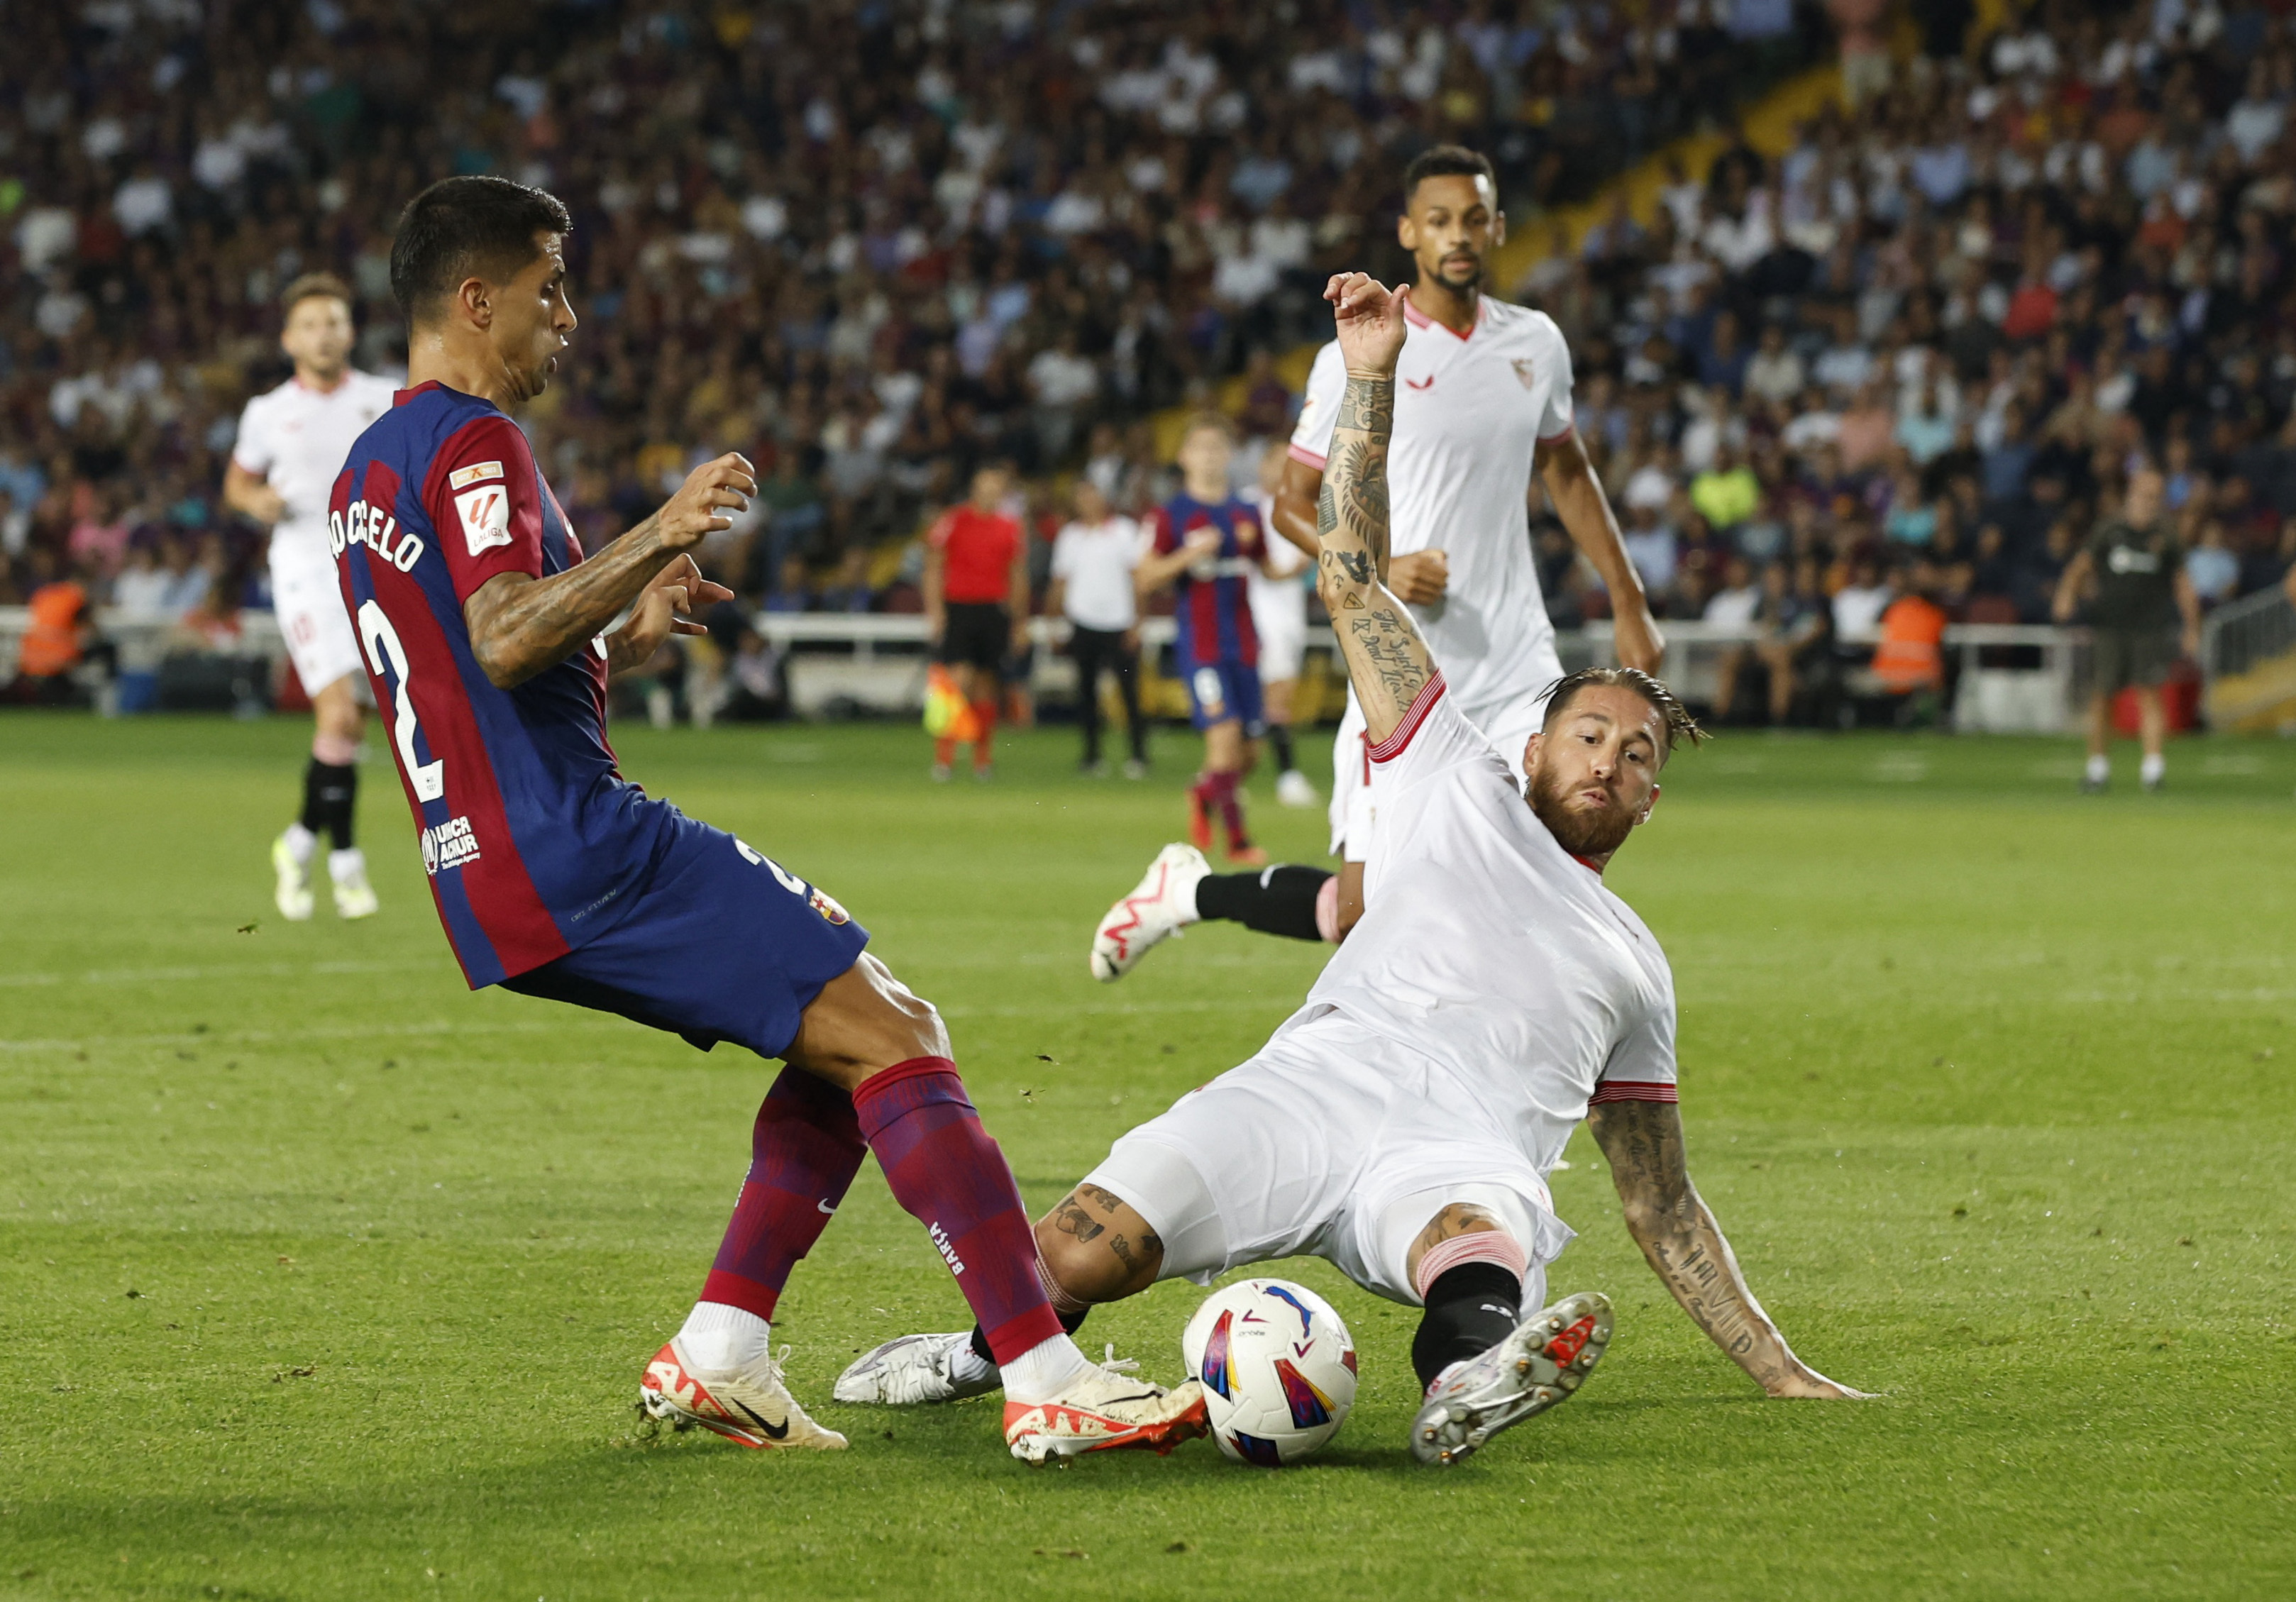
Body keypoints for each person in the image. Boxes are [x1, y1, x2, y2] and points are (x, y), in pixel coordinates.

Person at [839, 272, 1866, 1464]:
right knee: (1076, 1249)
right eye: (1589, 734)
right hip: (1313, 1086)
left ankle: (1467, 1382)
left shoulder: (1635, 966)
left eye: (1636, 756)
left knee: (1479, 1237)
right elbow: (1349, 577)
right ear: (1532, 742)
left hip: (1458, 1153)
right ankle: (980, 1353)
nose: (1608, 761)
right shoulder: (1448, 770)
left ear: (1651, 796)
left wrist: (1780, 1368)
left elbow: (1661, 1204)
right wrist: (1369, 378)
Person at [332, 175, 1200, 1464]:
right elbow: (505, 638)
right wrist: (656, 530)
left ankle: (720, 1350)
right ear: (476, 298)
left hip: (487, 862)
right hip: (577, 844)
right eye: (548, 288)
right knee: (900, 1030)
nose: (567, 316)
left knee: (834, 1027)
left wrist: (621, 624)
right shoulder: (474, 443)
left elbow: (470, 667)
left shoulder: (369, 466)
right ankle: (1045, 1369)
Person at [1091, 145, 1662, 980]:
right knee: (1360, 914)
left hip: (1516, 667)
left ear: (1497, 227)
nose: (1457, 235)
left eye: (1473, 218)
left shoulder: (1534, 344)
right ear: (1408, 233)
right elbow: (1290, 502)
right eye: (1438, 220)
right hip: (1395, 669)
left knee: (1537, 860)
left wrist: (1627, 595)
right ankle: (1189, 892)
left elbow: (1566, 470)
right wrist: (1380, 570)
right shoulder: (1359, 351)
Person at [224, 272, 398, 922]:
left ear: (351, 331)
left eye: (335, 321)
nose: (325, 334)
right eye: (312, 324)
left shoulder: (385, 399)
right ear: (289, 339)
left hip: (376, 570)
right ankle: (347, 862)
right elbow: (236, 484)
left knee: (353, 725)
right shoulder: (267, 413)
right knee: (342, 719)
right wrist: (257, 501)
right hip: (305, 574)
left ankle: (299, 841)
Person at [1135, 414, 1276, 866]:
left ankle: (1202, 793)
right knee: (1226, 736)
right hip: (1202, 646)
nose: (1211, 456)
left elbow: (1269, 567)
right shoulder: (1171, 514)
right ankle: (1238, 842)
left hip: (1245, 643)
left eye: (1218, 447)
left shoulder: (1246, 512)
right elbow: (1145, 577)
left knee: (1249, 752)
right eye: (1201, 448)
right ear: (1184, 457)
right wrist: (1190, 555)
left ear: (1230, 456)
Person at [2055, 469, 2200, 792]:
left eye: (2156, 497)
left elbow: (2182, 584)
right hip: (2110, 626)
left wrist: (2192, 625)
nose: (2150, 503)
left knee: (2150, 694)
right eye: (2146, 495)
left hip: (2150, 629)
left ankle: (2153, 769)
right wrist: (2066, 595)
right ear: (2131, 494)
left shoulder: (2166, 536)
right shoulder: (2110, 529)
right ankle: (2097, 768)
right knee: (2102, 696)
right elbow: (2082, 565)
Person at [922, 464, 1027, 782]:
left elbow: (1017, 575)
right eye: (986, 488)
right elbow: (933, 567)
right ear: (974, 490)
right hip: (960, 608)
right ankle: (945, 759)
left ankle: (983, 761)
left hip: (993, 610)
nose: (991, 495)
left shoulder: (1009, 527)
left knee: (986, 687)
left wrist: (1020, 621)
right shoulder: (953, 521)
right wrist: (936, 611)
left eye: (996, 490)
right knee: (956, 683)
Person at [1046, 478, 1149, 778]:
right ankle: (1092, 756)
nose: (1088, 503)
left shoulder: (1124, 532)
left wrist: (1138, 623)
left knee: (1130, 692)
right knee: (1086, 693)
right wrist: (1054, 623)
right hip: (1083, 623)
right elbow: (1059, 583)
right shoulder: (1070, 536)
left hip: (1120, 623)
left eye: (1092, 496)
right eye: (1082, 497)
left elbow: (1137, 580)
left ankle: (1138, 755)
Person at [1247, 445, 1320, 808]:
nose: (1277, 470)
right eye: (1273, 462)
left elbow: (1306, 558)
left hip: (1288, 613)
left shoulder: (1302, 508)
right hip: (1253, 613)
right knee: (1273, 697)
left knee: (1276, 697)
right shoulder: (1246, 507)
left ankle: (1233, 777)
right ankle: (1286, 776)